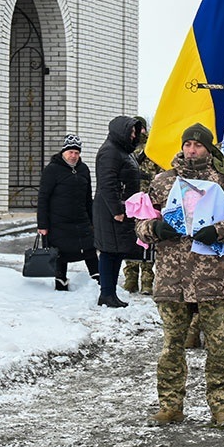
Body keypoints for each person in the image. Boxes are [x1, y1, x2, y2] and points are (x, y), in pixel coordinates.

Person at [136, 123, 224, 426]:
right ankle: (171, 405)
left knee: (218, 348)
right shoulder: (163, 182)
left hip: (213, 278)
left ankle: (221, 408)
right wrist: (153, 228)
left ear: (208, 148)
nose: (192, 150)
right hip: (171, 279)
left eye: (198, 145)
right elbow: (140, 222)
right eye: (188, 144)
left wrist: (219, 230)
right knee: (171, 348)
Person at [93, 116, 144, 308]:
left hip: (122, 207)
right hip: (110, 210)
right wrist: (117, 210)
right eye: (131, 131)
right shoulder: (110, 152)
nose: (133, 135)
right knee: (108, 252)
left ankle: (110, 292)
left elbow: (130, 173)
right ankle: (106, 294)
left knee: (117, 251)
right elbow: (107, 184)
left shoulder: (123, 151)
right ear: (121, 131)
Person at [36, 134, 99, 292]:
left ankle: (97, 280)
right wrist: (42, 225)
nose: (73, 156)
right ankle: (60, 282)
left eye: (77, 153)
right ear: (64, 152)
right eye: (70, 152)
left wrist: (93, 221)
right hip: (58, 221)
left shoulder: (83, 169)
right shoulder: (52, 170)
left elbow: (87, 197)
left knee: (90, 249)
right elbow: (43, 198)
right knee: (60, 253)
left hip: (81, 220)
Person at [123, 117, 163, 296]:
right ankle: (136, 280)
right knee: (143, 240)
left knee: (141, 238)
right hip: (146, 202)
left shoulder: (129, 150)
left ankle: (140, 280)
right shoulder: (152, 150)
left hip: (138, 201)